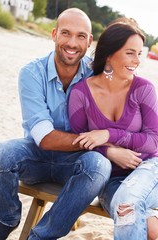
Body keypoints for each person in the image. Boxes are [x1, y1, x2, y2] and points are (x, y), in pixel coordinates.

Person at [0, 8, 112, 240]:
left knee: (100, 165)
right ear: (54, 34)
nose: (72, 43)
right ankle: (5, 220)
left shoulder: (97, 75)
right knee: (2, 154)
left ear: (89, 41)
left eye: (81, 36)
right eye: (66, 33)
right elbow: (45, 137)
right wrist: (91, 140)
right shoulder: (32, 73)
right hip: (35, 156)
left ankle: (40, 236)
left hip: (76, 163)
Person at [68, 20, 158, 240]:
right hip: (112, 180)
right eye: (130, 53)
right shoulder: (81, 94)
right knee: (128, 211)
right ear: (109, 54)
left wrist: (109, 135)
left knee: (128, 203)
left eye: (139, 53)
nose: (137, 61)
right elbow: (78, 144)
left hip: (150, 168)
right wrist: (110, 152)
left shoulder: (143, 89)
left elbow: (154, 141)